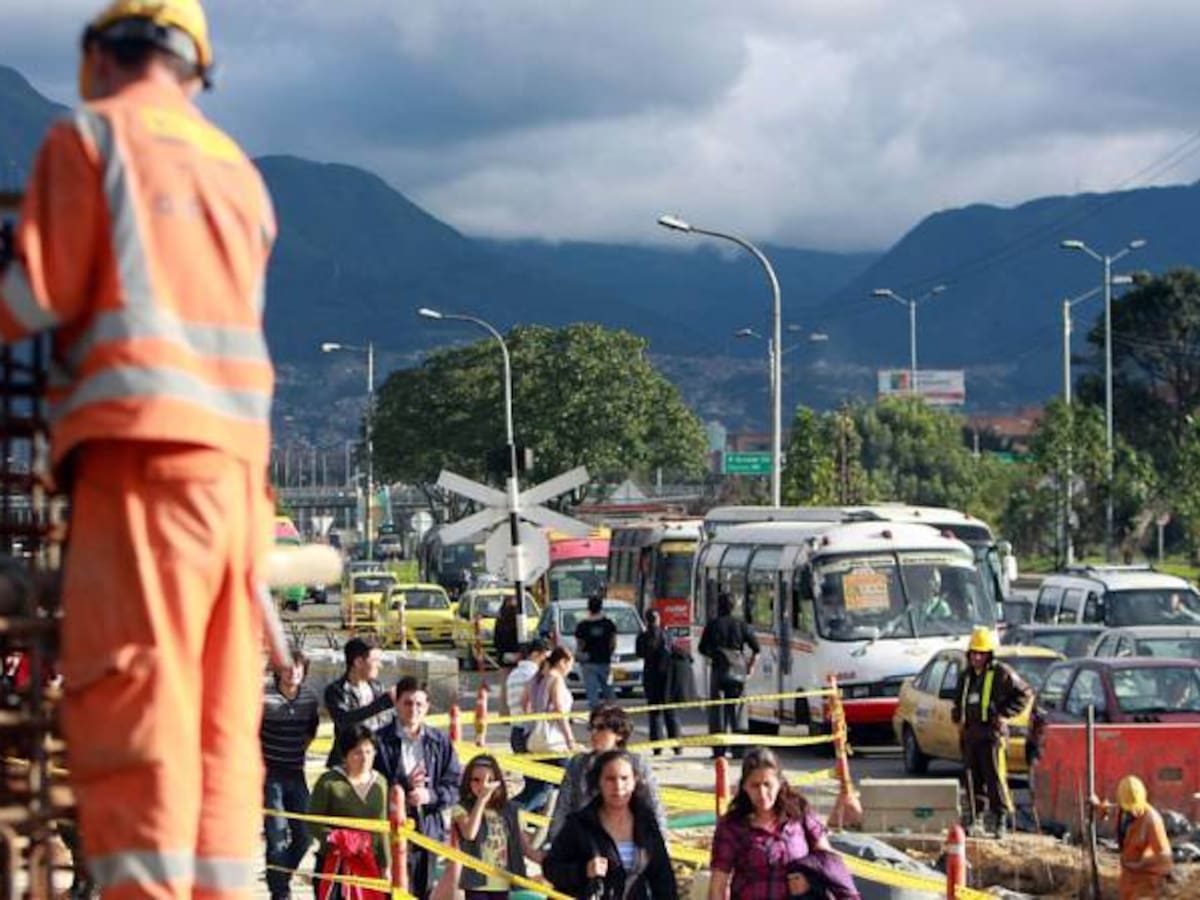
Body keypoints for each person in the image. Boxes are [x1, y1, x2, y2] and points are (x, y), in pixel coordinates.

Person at [0, 1, 279, 893]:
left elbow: (33, 298)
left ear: (100, 55)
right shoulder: (237, 173)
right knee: (217, 720)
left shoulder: (91, 139)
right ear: (197, 68)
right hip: (236, 488)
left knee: (136, 705)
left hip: (142, 464)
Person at [709, 748, 858, 900]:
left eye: (768, 784)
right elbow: (718, 886)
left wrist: (811, 882)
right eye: (755, 785)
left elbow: (827, 862)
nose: (762, 793)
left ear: (780, 783)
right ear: (744, 787)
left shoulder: (799, 812)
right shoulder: (732, 825)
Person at [543, 749, 677, 899]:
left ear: (635, 781)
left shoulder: (646, 823)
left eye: (624, 778)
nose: (618, 786)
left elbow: (663, 878)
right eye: (610, 779)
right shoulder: (579, 823)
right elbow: (551, 868)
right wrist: (583, 871)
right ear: (598, 782)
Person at [373, 676, 462, 899]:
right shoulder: (378, 741)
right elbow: (372, 785)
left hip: (427, 830)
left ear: (427, 707)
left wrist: (430, 796)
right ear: (397, 704)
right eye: (408, 703)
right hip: (390, 832)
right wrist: (402, 789)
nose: (413, 709)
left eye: (419, 704)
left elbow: (455, 785)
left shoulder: (439, 741)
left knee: (423, 891)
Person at [546, 703, 667, 847]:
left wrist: (660, 844)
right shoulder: (578, 764)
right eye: (592, 727)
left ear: (619, 734)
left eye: (601, 728)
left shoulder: (637, 763)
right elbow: (563, 807)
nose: (594, 733)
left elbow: (653, 806)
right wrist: (556, 843)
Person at [951, 626, 1032, 837]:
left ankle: (1000, 820)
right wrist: (958, 717)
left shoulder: (1001, 673)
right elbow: (958, 701)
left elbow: (1024, 693)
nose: (977, 657)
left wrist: (1004, 714)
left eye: (981, 653)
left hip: (991, 734)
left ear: (989, 654)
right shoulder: (965, 676)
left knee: (995, 777)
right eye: (974, 653)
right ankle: (975, 818)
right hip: (971, 734)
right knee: (972, 779)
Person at [261, 647, 321, 900]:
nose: (293, 672)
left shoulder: (309, 698)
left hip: (297, 772)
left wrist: (298, 751)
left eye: (298, 667)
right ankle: (280, 893)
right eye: (287, 667)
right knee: (276, 836)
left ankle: (280, 877)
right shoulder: (264, 697)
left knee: (306, 834)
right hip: (270, 775)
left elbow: (311, 730)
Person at [308, 726, 388, 900]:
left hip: (369, 863)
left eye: (369, 752)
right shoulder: (328, 782)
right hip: (335, 862)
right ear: (345, 755)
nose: (364, 758)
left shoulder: (380, 783)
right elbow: (313, 822)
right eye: (358, 752)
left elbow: (382, 828)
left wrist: (386, 865)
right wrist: (338, 838)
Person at [450, 754, 542, 899]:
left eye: (490, 780)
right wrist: (481, 800)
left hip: (501, 880)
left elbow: (523, 846)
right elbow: (469, 834)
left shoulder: (509, 810)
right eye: (476, 780)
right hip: (476, 881)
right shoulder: (461, 808)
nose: (483, 785)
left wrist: (548, 861)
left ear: (498, 782)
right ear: (468, 781)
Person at [513, 646, 577, 812]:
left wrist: (536, 717)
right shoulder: (556, 680)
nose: (570, 669)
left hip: (535, 738)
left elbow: (523, 703)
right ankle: (511, 813)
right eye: (570, 664)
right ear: (562, 662)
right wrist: (570, 739)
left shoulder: (535, 679)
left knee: (536, 788)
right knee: (571, 783)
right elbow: (559, 712)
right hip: (554, 742)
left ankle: (512, 812)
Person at [698, 591, 760, 758]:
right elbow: (756, 648)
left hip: (718, 671)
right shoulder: (741, 624)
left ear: (719, 606)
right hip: (738, 671)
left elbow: (702, 648)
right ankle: (739, 750)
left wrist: (714, 655)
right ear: (734, 607)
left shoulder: (712, 625)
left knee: (717, 711)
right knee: (738, 710)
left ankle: (719, 750)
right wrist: (750, 667)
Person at [1090, 775, 1173, 900]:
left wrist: (1140, 865)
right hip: (1128, 878)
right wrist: (1098, 806)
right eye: (1128, 808)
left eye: (1135, 807)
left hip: (1146, 883)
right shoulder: (1123, 810)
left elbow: (1165, 858)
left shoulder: (1152, 821)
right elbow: (1111, 809)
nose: (1132, 811)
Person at [324, 636, 395, 766]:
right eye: (375, 660)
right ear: (358, 662)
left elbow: (387, 722)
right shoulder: (337, 691)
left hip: (376, 759)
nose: (380, 665)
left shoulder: (377, 687)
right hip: (347, 761)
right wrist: (382, 703)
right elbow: (344, 721)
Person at [635, 610, 682, 753]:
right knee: (671, 712)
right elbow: (674, 651)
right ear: (658, 619)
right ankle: (676, 745)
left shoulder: (642, 637)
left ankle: (657, 747)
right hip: (666, 676)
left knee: (654, 713)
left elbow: (639, 653)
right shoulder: (666, 635)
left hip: (651, 676)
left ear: (646, 620)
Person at [506, 638, 550, 753]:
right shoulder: (533, 675)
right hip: (531, 730)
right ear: (536, 654)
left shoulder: (513, 674)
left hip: (516, 730)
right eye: (545, 656)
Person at [575, 593, 618, 708]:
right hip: (605, 661)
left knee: (592, 693)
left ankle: (595, 713)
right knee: (609, 690)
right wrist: (608, 652)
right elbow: (613, 643)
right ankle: (611, 713)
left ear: (588, 608)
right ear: (601, 607)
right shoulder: (609, 624)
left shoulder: (582, 626)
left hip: (588, 662)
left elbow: (580, 645)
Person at [493, 594, 521, 715]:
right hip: (517, 655)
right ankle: (514, 712)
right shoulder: (518, 621)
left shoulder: (500, 621)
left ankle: (504, 713)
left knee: (504, 686)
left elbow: (496, 641)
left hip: (503, 656)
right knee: (517, 685)